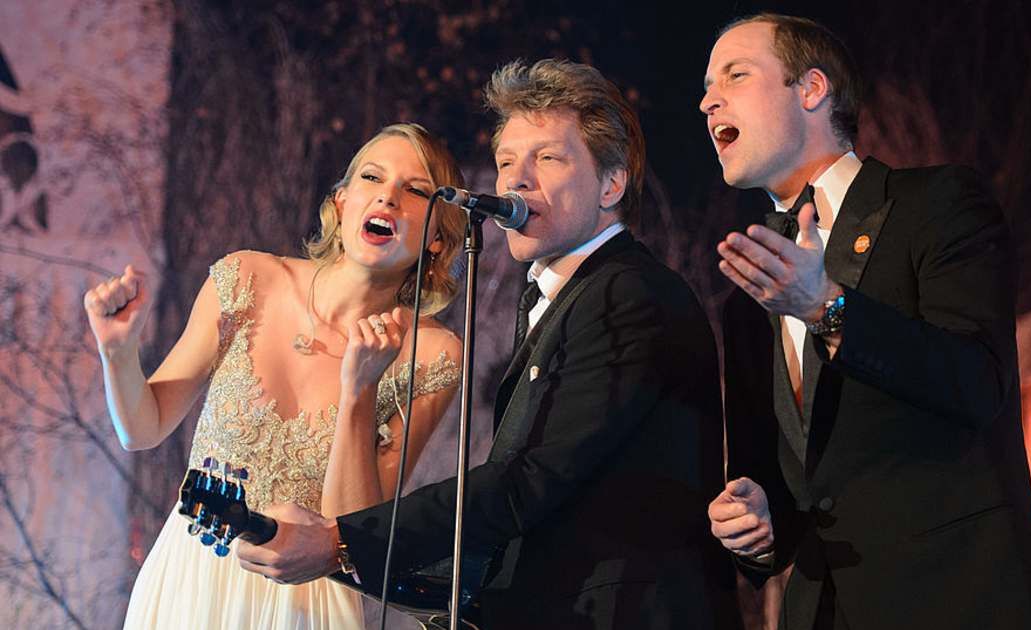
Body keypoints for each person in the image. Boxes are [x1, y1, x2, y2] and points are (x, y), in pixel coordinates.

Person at [235, 59, 741, 630]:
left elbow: (530, 478)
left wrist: (338, 541)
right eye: (506, 162)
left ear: (610, 183)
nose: (515, 181)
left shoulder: (627, 293)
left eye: (547, 158)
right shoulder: (559, 297)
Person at [701, 13, 1031, 630]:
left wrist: (825, 308)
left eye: (736, 75)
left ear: (812, 90)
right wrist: (754, 525)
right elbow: (786, 507)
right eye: (706, 87)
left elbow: (976, 383)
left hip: (958, 603)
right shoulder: (746, 298)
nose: (708, 101)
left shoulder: (937, 205)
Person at [84, 123, 468, 630]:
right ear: (341, 202)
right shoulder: (247, 278)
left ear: (438, 239)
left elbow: (356, 534)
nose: (388, 197)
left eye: (415, 190)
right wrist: (117, 351)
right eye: (372, 178)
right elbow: (141, 429)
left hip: (307, 605)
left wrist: (359, 390)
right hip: (188, 582)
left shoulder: (432, 354)